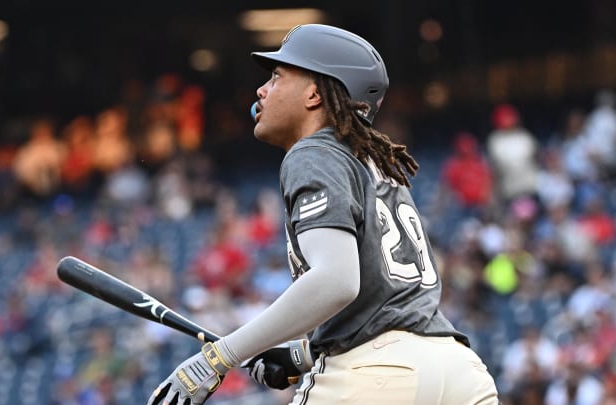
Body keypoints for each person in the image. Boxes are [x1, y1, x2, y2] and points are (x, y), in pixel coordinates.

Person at [148, 24, 498, 405]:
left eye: (277, 77)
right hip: (460, 372)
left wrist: (219, 357)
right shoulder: (374, 162)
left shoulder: (313, 152)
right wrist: (302, 353)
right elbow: (384, 305)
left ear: (314, 93)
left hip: (378, 376)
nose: (261, 90)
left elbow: (335, 281)